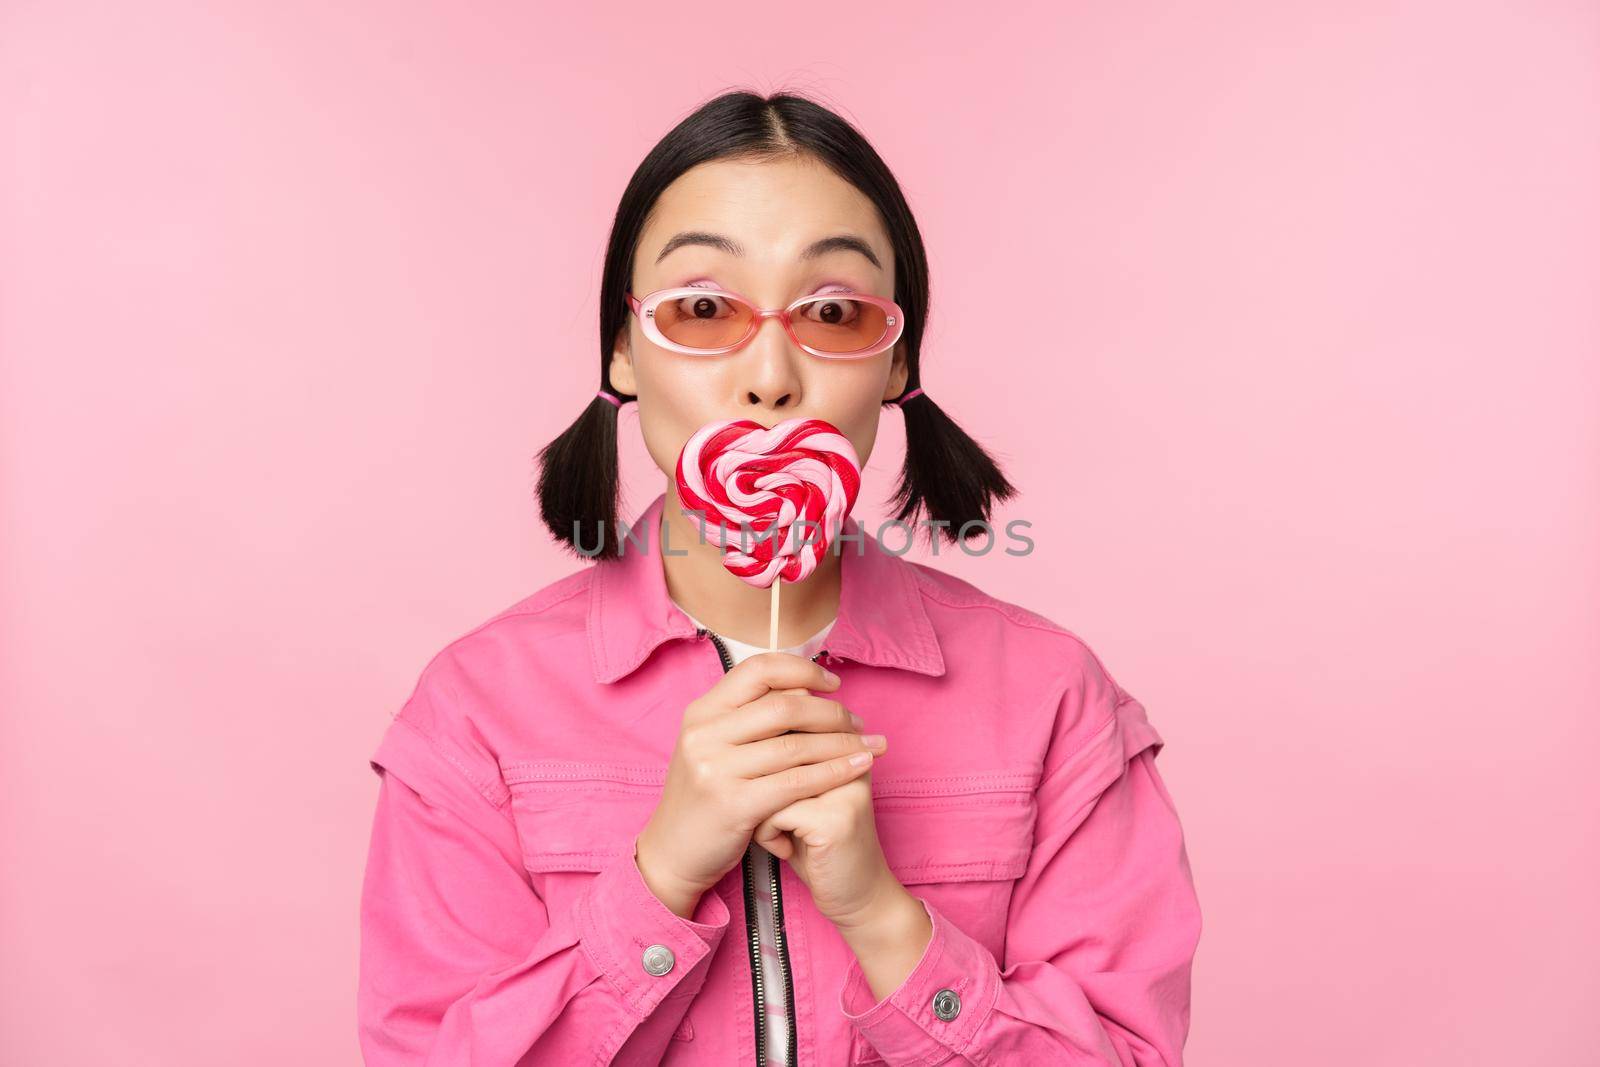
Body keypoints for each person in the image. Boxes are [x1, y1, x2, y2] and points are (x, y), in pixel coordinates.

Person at [358, 89, 1201, 1066]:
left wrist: (881, 914)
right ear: (622, 350)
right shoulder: (475, 713)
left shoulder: (1053, 699)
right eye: (704, 308)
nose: (769, 373)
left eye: (833, 311)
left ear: (895, 361)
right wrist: (662, 872)